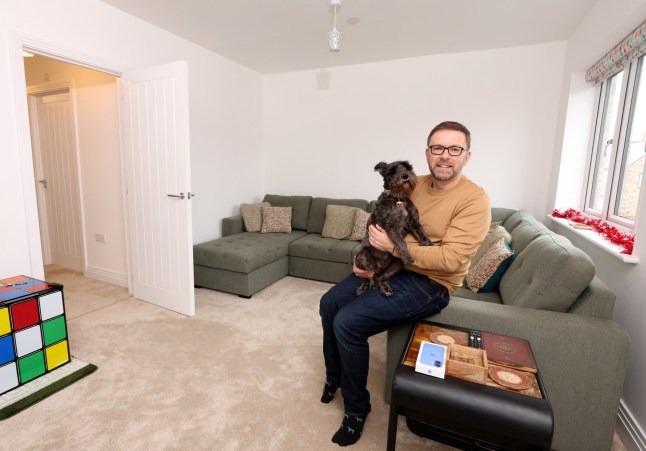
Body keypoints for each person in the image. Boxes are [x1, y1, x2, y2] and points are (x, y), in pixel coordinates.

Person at [319, 121, 491, 446]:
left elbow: (452, 259)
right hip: (390, 264)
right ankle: (334, 378)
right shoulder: (413, 184)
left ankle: (356, 410)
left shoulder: (475, 199)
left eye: (454, 149)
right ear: (427, 153)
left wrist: (392, 249)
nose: (445, 156)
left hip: (430, 283)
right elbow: (380, 220)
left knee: (348, 323)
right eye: (438, 148)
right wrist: (367, 257)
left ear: (467, 156)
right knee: (329, 303)